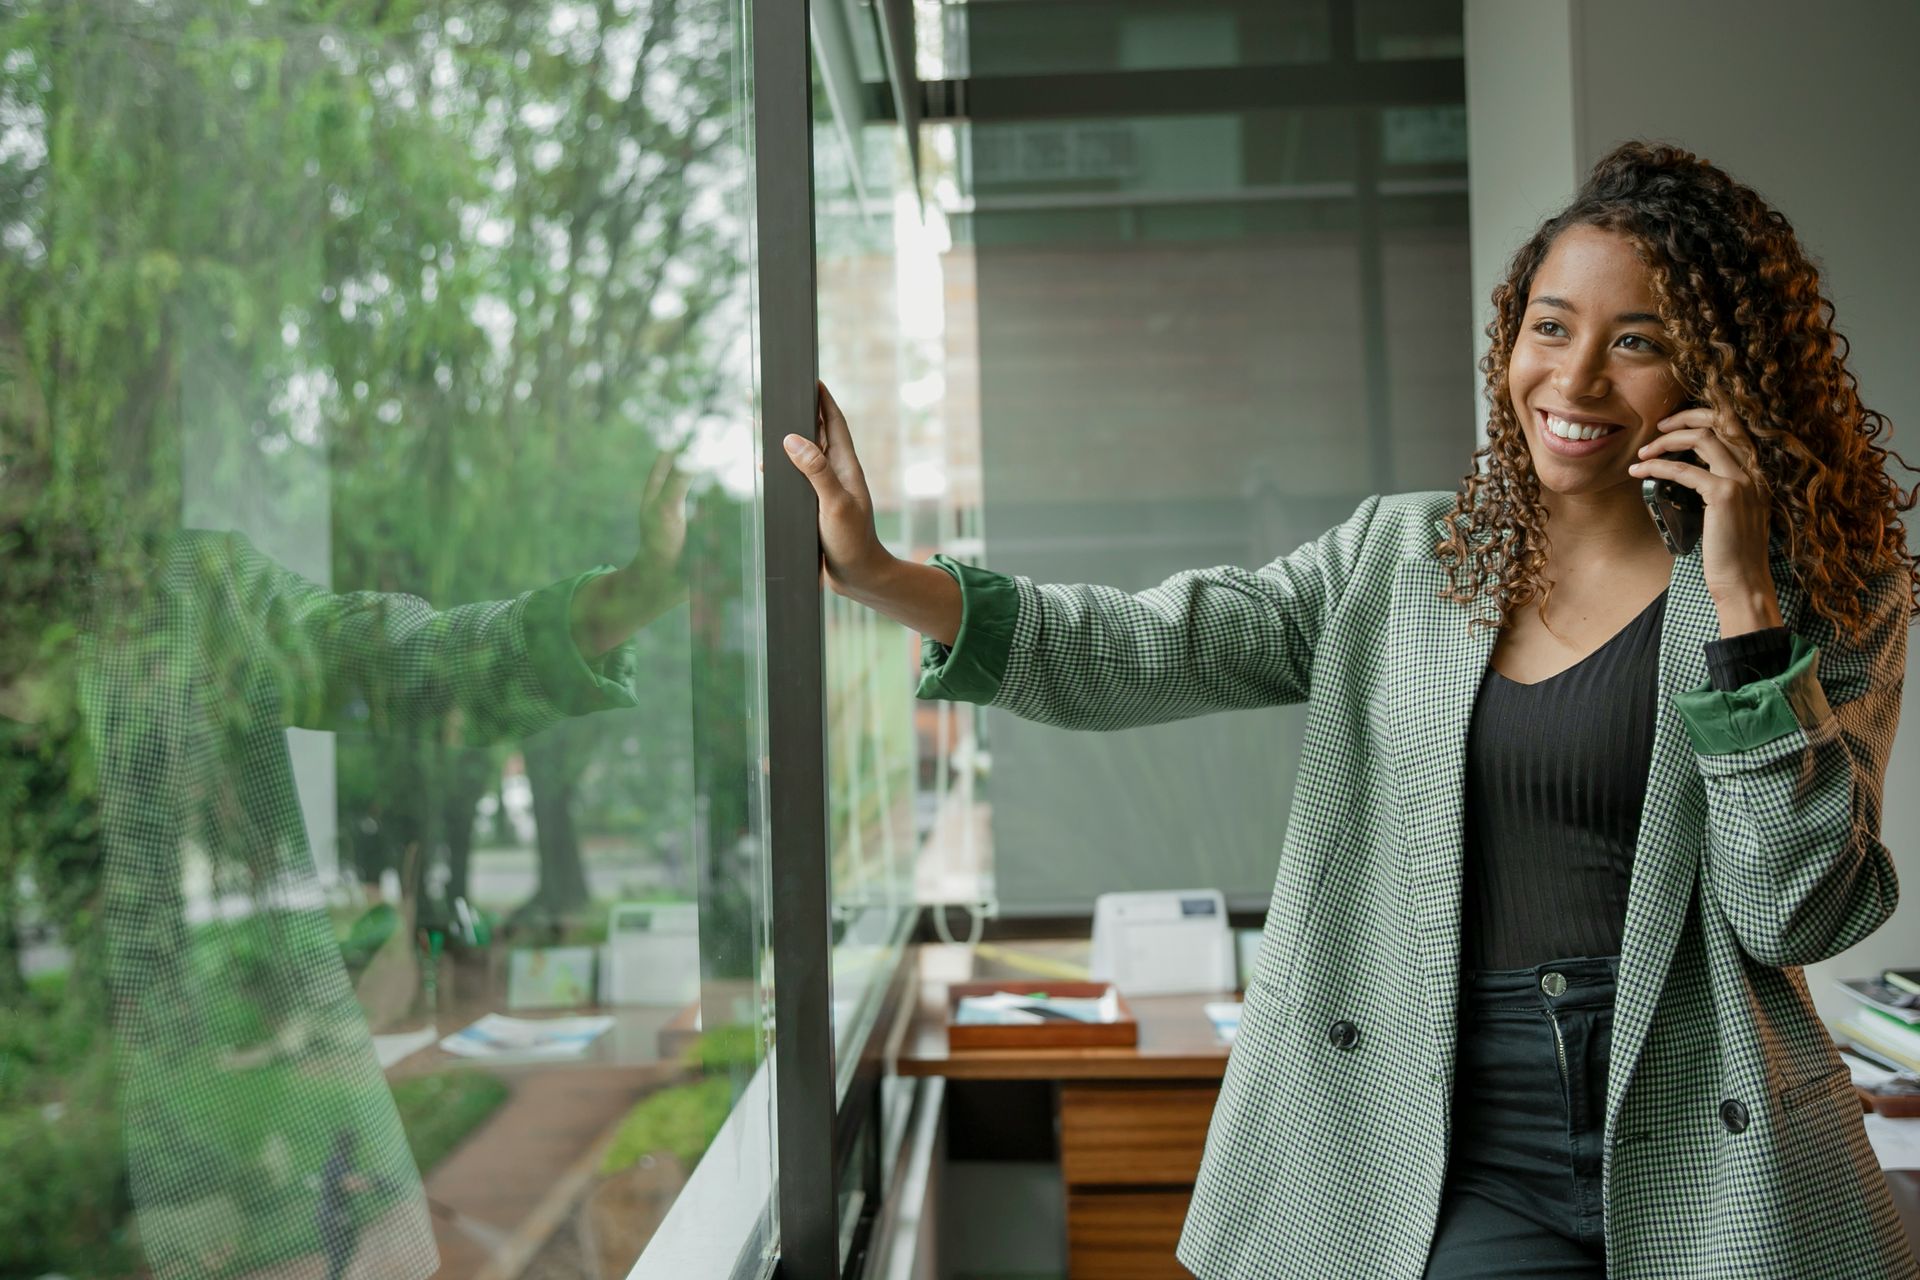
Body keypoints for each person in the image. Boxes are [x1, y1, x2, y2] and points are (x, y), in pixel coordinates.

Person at [784, 141, 1920, 1279]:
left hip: (1705, 1130)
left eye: (1637, 342)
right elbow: (1148, 644)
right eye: (1551, 326)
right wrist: (883, 573)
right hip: (1446, 1123)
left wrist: (1744, 608)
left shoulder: (1826, 592)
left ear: (1716, 375)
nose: (1573, 382)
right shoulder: (1402, 558)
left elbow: (1793, 914)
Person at [0, 319, 688, 1278]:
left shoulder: (190, 596)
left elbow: (401, 658)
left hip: (274, 1174)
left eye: (22, 412)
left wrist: (624, 600)